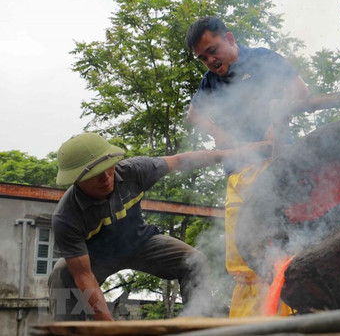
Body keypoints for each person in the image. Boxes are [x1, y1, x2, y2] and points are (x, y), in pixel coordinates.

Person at [49, 132, 269, 321]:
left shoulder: (133, 171)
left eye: (108, 168)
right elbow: (84, 276)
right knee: (62, 274)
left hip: (139, 242)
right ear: (76, 179)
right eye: (95, 175)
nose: (106, 178)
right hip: (96, 257)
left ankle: (199, 323)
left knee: (194, 261)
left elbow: (180, 160)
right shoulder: (67, 217)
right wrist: (108, 325)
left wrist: (238, 152)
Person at [185, 16, 309, 317]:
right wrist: (220, 134)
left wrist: (277, 121)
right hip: (237, 173)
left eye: (213, 50)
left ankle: (286, 319)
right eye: (202, 58)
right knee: (240, 254)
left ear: (229, 38)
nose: (210, 60)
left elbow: (300, 90)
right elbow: (193, 115)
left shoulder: (262, 58)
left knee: (275, 247)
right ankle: (245, 323)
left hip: (274, 167)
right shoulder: (210, 81)